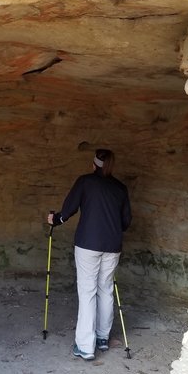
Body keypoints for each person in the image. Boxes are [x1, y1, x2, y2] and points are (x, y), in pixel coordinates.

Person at [48, 149, 131, 361]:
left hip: (87, 244)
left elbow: (69, 209)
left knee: (87, 292)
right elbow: (126, 222)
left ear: (93, 164)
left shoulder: (85, 182)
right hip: (112, 245)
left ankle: (85, 346)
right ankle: (103, 338)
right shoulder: (120, 188)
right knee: (105, 289)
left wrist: (56, 219)